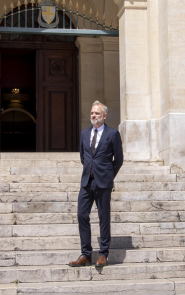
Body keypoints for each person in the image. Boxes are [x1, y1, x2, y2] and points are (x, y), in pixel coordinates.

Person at [69, 101, 123, 269]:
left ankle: (103, 254)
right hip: (87, 181)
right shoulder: (84, 134)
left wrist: (108, 176)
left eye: (97, 114)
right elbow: (83, 157)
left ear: (104, 116)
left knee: (103, 217)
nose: (93, 116)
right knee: (82, 215)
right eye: (92, 113)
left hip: (103, 182)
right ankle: (86, 254)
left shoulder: (113, 134)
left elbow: (119, 160)